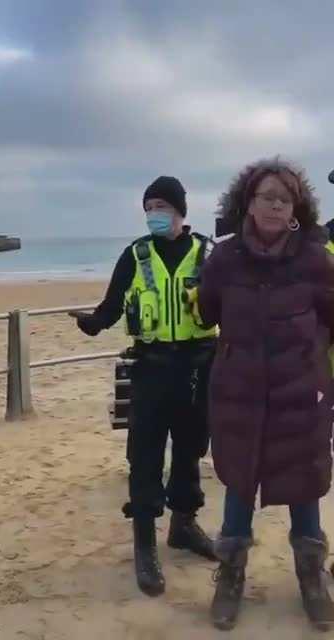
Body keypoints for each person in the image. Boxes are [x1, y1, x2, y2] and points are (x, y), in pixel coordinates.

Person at [196, 158, 334, 631]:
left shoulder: (316, 257)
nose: (275, 205)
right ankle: (230, 577)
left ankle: (312, 578)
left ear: (297, 207)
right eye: (266, 196)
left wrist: (309, 365)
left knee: (304, 486)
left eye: (284, 198)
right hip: (239, 395)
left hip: (301, 396)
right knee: (238, 484)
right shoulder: (224, 258)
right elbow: (210, 311)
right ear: (247, 203)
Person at [70, 176, 217, 597]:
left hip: (197, 367)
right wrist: (94, 324)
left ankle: (184, 526)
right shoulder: (135, 255)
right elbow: (113, 305)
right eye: (149, 206)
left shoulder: (208, 253)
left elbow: (231, 302)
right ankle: (145, 544)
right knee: (146, 455)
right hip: (152, 368)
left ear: (180, 210)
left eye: (162, 205)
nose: (155, 213)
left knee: (190, 449)